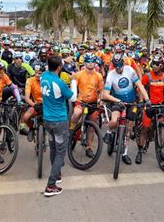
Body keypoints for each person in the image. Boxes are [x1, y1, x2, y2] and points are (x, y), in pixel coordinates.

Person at [102, 53, 150, 165]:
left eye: (120, 66)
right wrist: (117, 101)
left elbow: (140, 85)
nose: (119, 69)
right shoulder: (111, 75)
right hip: (117, 101)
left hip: (131, 102)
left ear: (123, 64)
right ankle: (109, 131)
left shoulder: (129, 70)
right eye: (116, 66)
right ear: (114, 65)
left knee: (128, 128)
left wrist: (146, 99)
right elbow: (105, 94)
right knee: (114, 121)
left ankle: (125, 153)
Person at [41, 55, 76, 197]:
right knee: (61, 152)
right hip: (59, 120)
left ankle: (57, 174)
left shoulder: (43, 77)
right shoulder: (59, 82)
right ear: (60, 67)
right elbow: (72, 97)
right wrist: (73, 81)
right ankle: (51, 185)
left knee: (53, 147)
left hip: (47, 119)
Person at [138, 56, 164, 164]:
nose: (154, 66)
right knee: (145, 128)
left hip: (160, 105)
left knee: (162, 127)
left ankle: (161, 148)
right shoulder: (147, 76)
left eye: (157, 64)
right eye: (153, 63)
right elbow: (141, 89)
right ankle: (139, 151)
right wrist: (141, 100)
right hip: (149, 106)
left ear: (161, 66)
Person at [70, 53, 104, 158]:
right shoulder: (79, 74)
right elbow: (73, 89)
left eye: (92, 62)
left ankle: (89, 147)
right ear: (85, 63)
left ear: (95, 63)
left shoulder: (98, 76)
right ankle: (72, 128)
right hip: (81, 102)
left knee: (92, 127)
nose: (90, 64)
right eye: (88, 62)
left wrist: (101, 101)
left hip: (93, 103)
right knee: (76, 114)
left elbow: (101, 90)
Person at [22, 65, 44, 140]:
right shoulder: (30, 80)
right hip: (36, 105)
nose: (37, 75)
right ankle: (31, 128)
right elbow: (27, 98)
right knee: (25, 117)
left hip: (47, 105)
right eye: (36, 73)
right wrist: (34, 105)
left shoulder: (48, 81)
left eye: (40, 73)